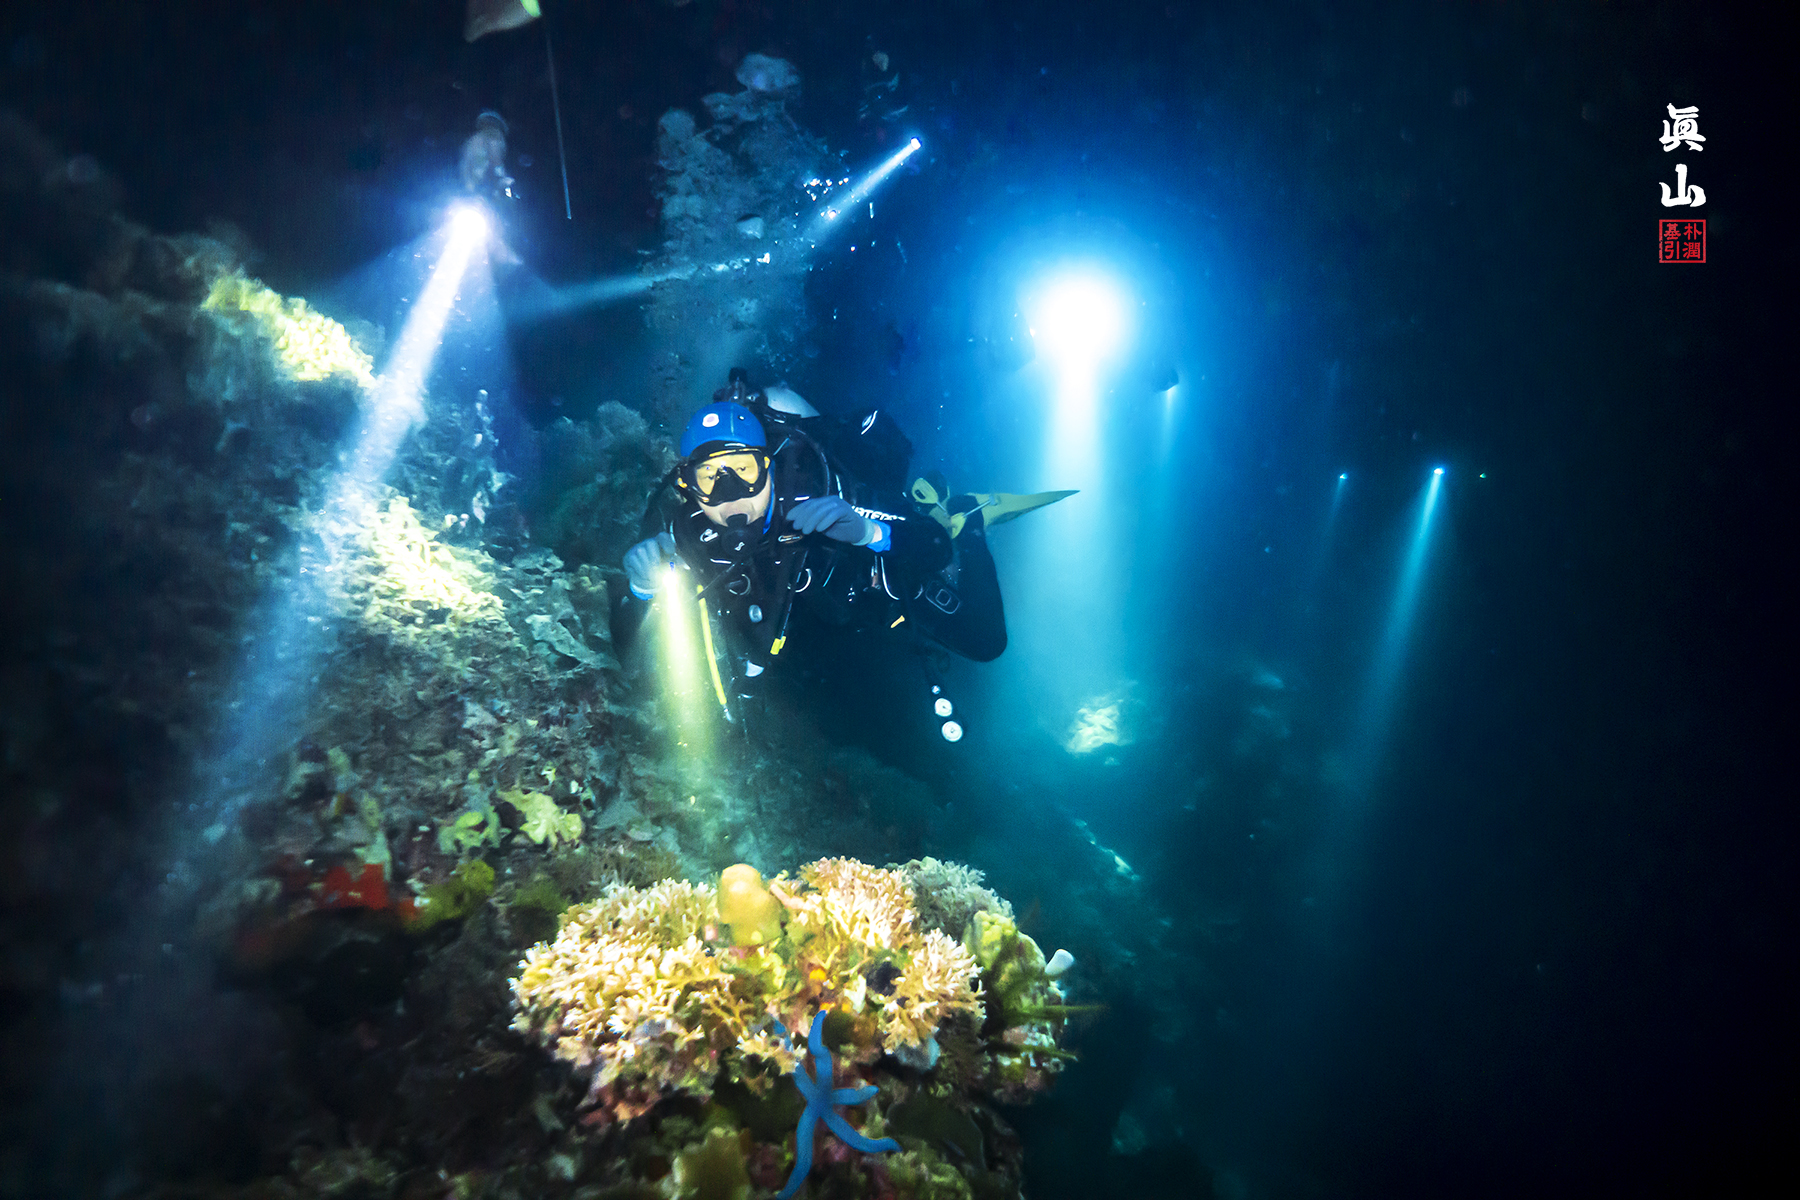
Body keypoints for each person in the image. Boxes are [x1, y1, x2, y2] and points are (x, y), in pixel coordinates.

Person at [611, 373, 1022, 712]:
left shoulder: (822, 494)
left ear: (768, 467)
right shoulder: (688, 535)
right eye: (709, 477)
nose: (730, 492)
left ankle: (971, 519)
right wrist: (641, 588)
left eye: (744, 469)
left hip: (868, 595)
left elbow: (936, 546)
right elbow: (626, 658)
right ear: (688, 487)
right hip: (807, 627)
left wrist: (869, 532)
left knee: (986, 641)